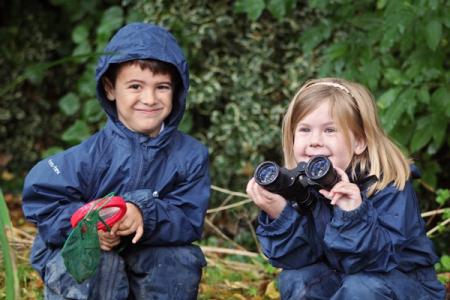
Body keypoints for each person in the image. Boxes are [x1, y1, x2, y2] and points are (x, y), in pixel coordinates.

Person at [22, 22, 210, 299]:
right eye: (135, 86)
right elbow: (44, 206)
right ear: (110, 88)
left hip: (146, 257)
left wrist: (143, 213)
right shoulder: (86, 157)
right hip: (91, 265)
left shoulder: (191, 156)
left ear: (177, 91)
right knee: (98, 261)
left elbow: (188, 218)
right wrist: (87, 227)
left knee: (178, 259)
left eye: (162, 87)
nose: (149, 98)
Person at [246, 77, 446, 299]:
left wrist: (352, 214)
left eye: (330, 130)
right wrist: (281, 215)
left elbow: (375, 262)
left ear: (360, 141)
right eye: (304, 130)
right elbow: (297, 260)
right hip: (345, 281)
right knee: (298, 278)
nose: (315, 141)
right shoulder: (306, 185)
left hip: (405, 286)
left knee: (360, 286)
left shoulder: (387, 185)